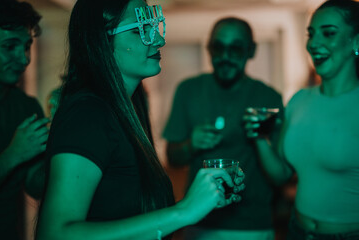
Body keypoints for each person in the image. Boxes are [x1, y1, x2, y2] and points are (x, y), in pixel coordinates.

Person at [35, 0, 245, 240]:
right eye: (139, 29)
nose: (158, 40)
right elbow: (55, 234)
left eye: (153, 27)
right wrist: (184, 211)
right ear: (102, 40)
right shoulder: (87, 113)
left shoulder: (126, 108)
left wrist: (203, 200)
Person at [244, 0, 359, 239]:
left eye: (328, 33)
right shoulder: (299, 100)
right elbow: (281, 174)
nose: (314, 44)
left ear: (356, 41)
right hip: (297, 230)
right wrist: (259, 137)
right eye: (311, 34)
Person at [163, 17, 284, 239]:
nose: (225, 57)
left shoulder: (268, 97)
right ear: (208, 48)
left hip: (253, 225)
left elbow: (280, 176)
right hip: (199, 220)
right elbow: (172, 158)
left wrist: (258, 139)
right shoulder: (188, 90)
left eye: (235, 49)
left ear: (251, 51)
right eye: (218, 47)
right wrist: (191, 145)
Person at [0, 1, 49, 239]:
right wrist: (12, 155)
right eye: (10, 46)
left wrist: (63, 144)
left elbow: (36, 186)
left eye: (27, 46)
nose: (24, 58)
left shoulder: (26, 107)